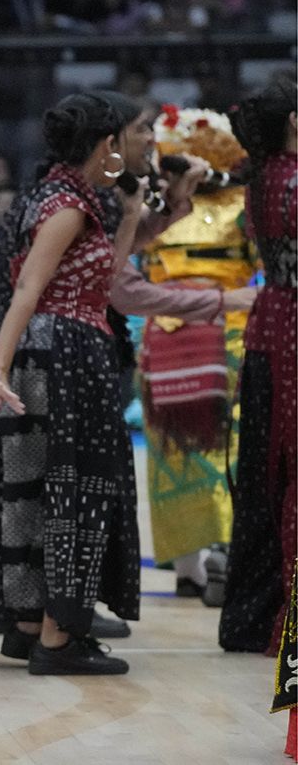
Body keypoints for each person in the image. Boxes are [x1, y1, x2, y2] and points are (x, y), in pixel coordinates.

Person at [0, 91, 153, 676]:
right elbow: (27, 290)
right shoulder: (66, 205)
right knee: (73, 489)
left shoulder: (71, 196)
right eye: (122, 141)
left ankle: (30, 626)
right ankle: (60, 639)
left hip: (62, 348)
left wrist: (134, 216)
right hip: (63, 353)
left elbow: (101, 284)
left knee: (36, 489)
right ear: (106, 144)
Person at [139, 107, 259, 602]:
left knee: (216, 448)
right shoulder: (157, 203)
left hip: (227, 332)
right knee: (177, 450)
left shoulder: (245, 202)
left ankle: (219, 556)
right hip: (176, 328)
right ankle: (191, 563)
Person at [221, 78, 297, 655]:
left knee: (266, 471)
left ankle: (256, 611)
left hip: (272, 321)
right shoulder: (292, 180)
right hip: (291, 330)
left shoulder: (262, 177)